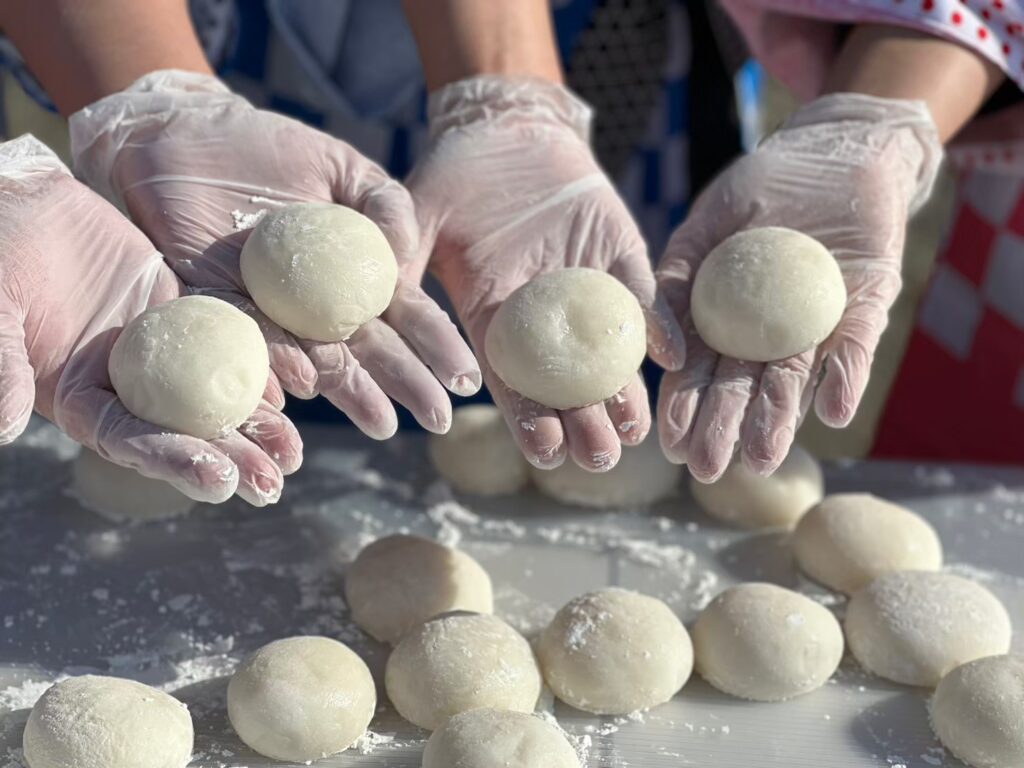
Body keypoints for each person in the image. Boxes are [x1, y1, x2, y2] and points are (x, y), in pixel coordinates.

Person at [0, 0, 698, 485]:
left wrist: (507, 95)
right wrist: (153, 99)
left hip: (572, 98)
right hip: (220, 69)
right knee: (260, 403)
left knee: (612, 384)